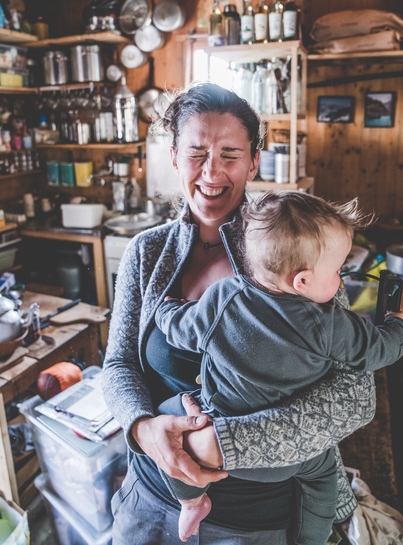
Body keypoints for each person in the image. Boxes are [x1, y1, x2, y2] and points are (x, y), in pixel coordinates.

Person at [102, 83, 376, 545]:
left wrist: (222, 444)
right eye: (196, 153)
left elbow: (355, 395)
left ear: (253, 162)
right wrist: (143, 428)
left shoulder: (293, 247)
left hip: (256, 518)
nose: (212, 171)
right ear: (173, 157)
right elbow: (119, 365)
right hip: (150, 497)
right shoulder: (147, 253)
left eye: (230, 154)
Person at [155, 191, 403, 543]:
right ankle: (313, 538)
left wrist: (165, 308)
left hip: (215, 429)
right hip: (286, 459)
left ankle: (191, 501)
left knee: (166, 419)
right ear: (302, 281)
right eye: (337, 271)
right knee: (323, 478)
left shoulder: (223, 296)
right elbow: (380, 350)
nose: (339, 280)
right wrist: (396, 321)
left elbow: (181, 330)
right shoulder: (329, 322)